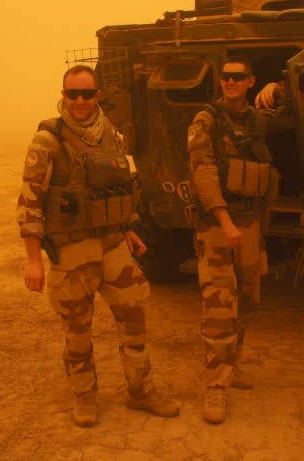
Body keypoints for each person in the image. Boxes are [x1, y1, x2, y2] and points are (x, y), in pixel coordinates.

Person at [17, 65, 179, 427]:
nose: (79, 101)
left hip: (111, 246)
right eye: (71, 94)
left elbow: (118, 189)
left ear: (98, 95)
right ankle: (84, 396)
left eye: (86, 94)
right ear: (63, 95)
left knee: (134, 315)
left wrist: (127, 229)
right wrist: (33, 261)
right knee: (78, 330)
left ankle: (140, 391)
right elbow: (29, 203)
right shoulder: (48, 141)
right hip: (72, 250)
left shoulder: (111, 135)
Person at [186, 57, 283, 424]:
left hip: (249, 221)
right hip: (217, 224)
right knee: (219, 304)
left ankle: (231, 364)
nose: (230, 82)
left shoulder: (256, 120)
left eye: (237, 77)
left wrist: (281, 90)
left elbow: (303, 111)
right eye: (225, 77)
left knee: (247, 297)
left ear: (250, 82)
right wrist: (224, 219)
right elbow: (204, 171)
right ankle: (215, 383)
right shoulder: (205, 121)